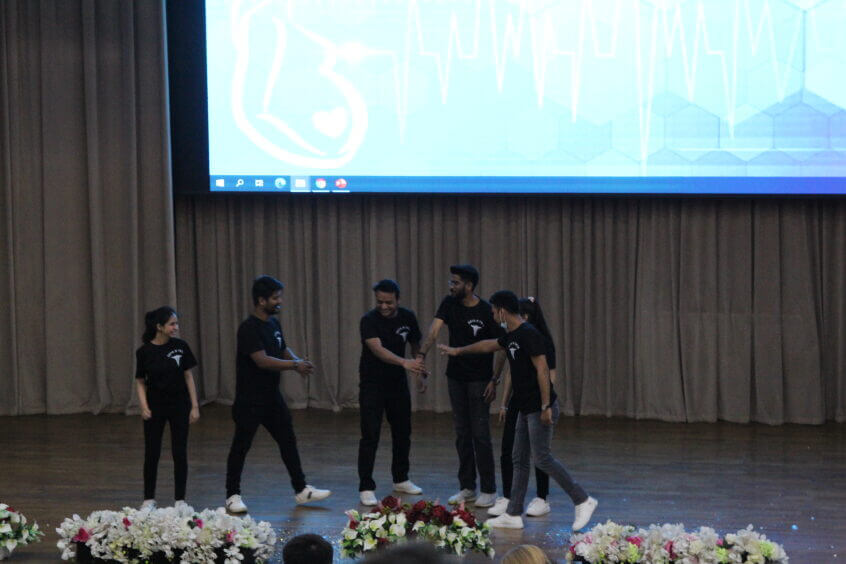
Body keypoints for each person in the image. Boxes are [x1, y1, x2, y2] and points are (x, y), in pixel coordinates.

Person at [439, 290, 597, 531]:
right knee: (519, 459)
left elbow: (543, 370)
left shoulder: (529, 334)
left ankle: (582, 500)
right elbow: (488, 345)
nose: (492, 316)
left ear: (502, 311)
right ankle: (513, 514)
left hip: (538, 407)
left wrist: (545, 406)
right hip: (524, 408)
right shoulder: (511, 335)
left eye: (494, 311)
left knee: (542, 458)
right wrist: (458, 351)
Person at [224, 275, 330, 512]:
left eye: (279, 297)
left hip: (271, 397)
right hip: (249, 399)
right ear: (261, 301)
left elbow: (281, 348)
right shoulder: (248, 328)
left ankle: (301, 490)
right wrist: (294, 366)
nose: (279, 301)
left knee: (287, 440)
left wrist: (297, 360)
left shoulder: (273, 323)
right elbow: (261, 360)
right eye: (275, 298)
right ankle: (232, 495)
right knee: (241, 446)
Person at [416, 265, 505, 508]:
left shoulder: (485, 310)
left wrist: (494, 379)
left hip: (480, 379)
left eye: (455, 283)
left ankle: (489, 490)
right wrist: (421, 356)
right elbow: (434, 331)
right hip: (455, 378)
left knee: (480, 434)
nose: (451, 286)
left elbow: (501, 346)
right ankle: (467, 487)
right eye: (451, 282)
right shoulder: (449, 303)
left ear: (469, 285)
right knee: (462, 434)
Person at [358, 279, 427, 506]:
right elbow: (377, 349)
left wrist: (419, 370)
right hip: (372, 384)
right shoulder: (369, 320)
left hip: (397, 384)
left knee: (402, 432)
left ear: (398, 299)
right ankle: (366, 486)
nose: (384, 306)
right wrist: (404, 363)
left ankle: (401, 478)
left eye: (388, 302)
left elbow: (415, 344)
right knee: (370, 435)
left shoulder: (407, 317)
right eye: (380, 302)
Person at [488, 297, 554, 518]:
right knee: (510, 449)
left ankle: (542, 497)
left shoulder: (539, 340)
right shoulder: (513, 337)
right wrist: (504, 403)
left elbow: (548, 374)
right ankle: (509, 497)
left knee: (539, 453)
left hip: (535, 402)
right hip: (518, 401)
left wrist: (546, 404)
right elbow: (510, 371)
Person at [135, 306, 200, 509]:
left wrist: (194, 406)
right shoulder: (144, 352)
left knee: (179, 452)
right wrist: (144, 406)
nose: (176, 327)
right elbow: (140, 381)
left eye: (176, 323)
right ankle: (148, 499)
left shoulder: (181, 346)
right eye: (172, 324)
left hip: (179, 406)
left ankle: (180, 500)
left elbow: (188, 376)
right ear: (159, 327)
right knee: (152, 452)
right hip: (155, 407)